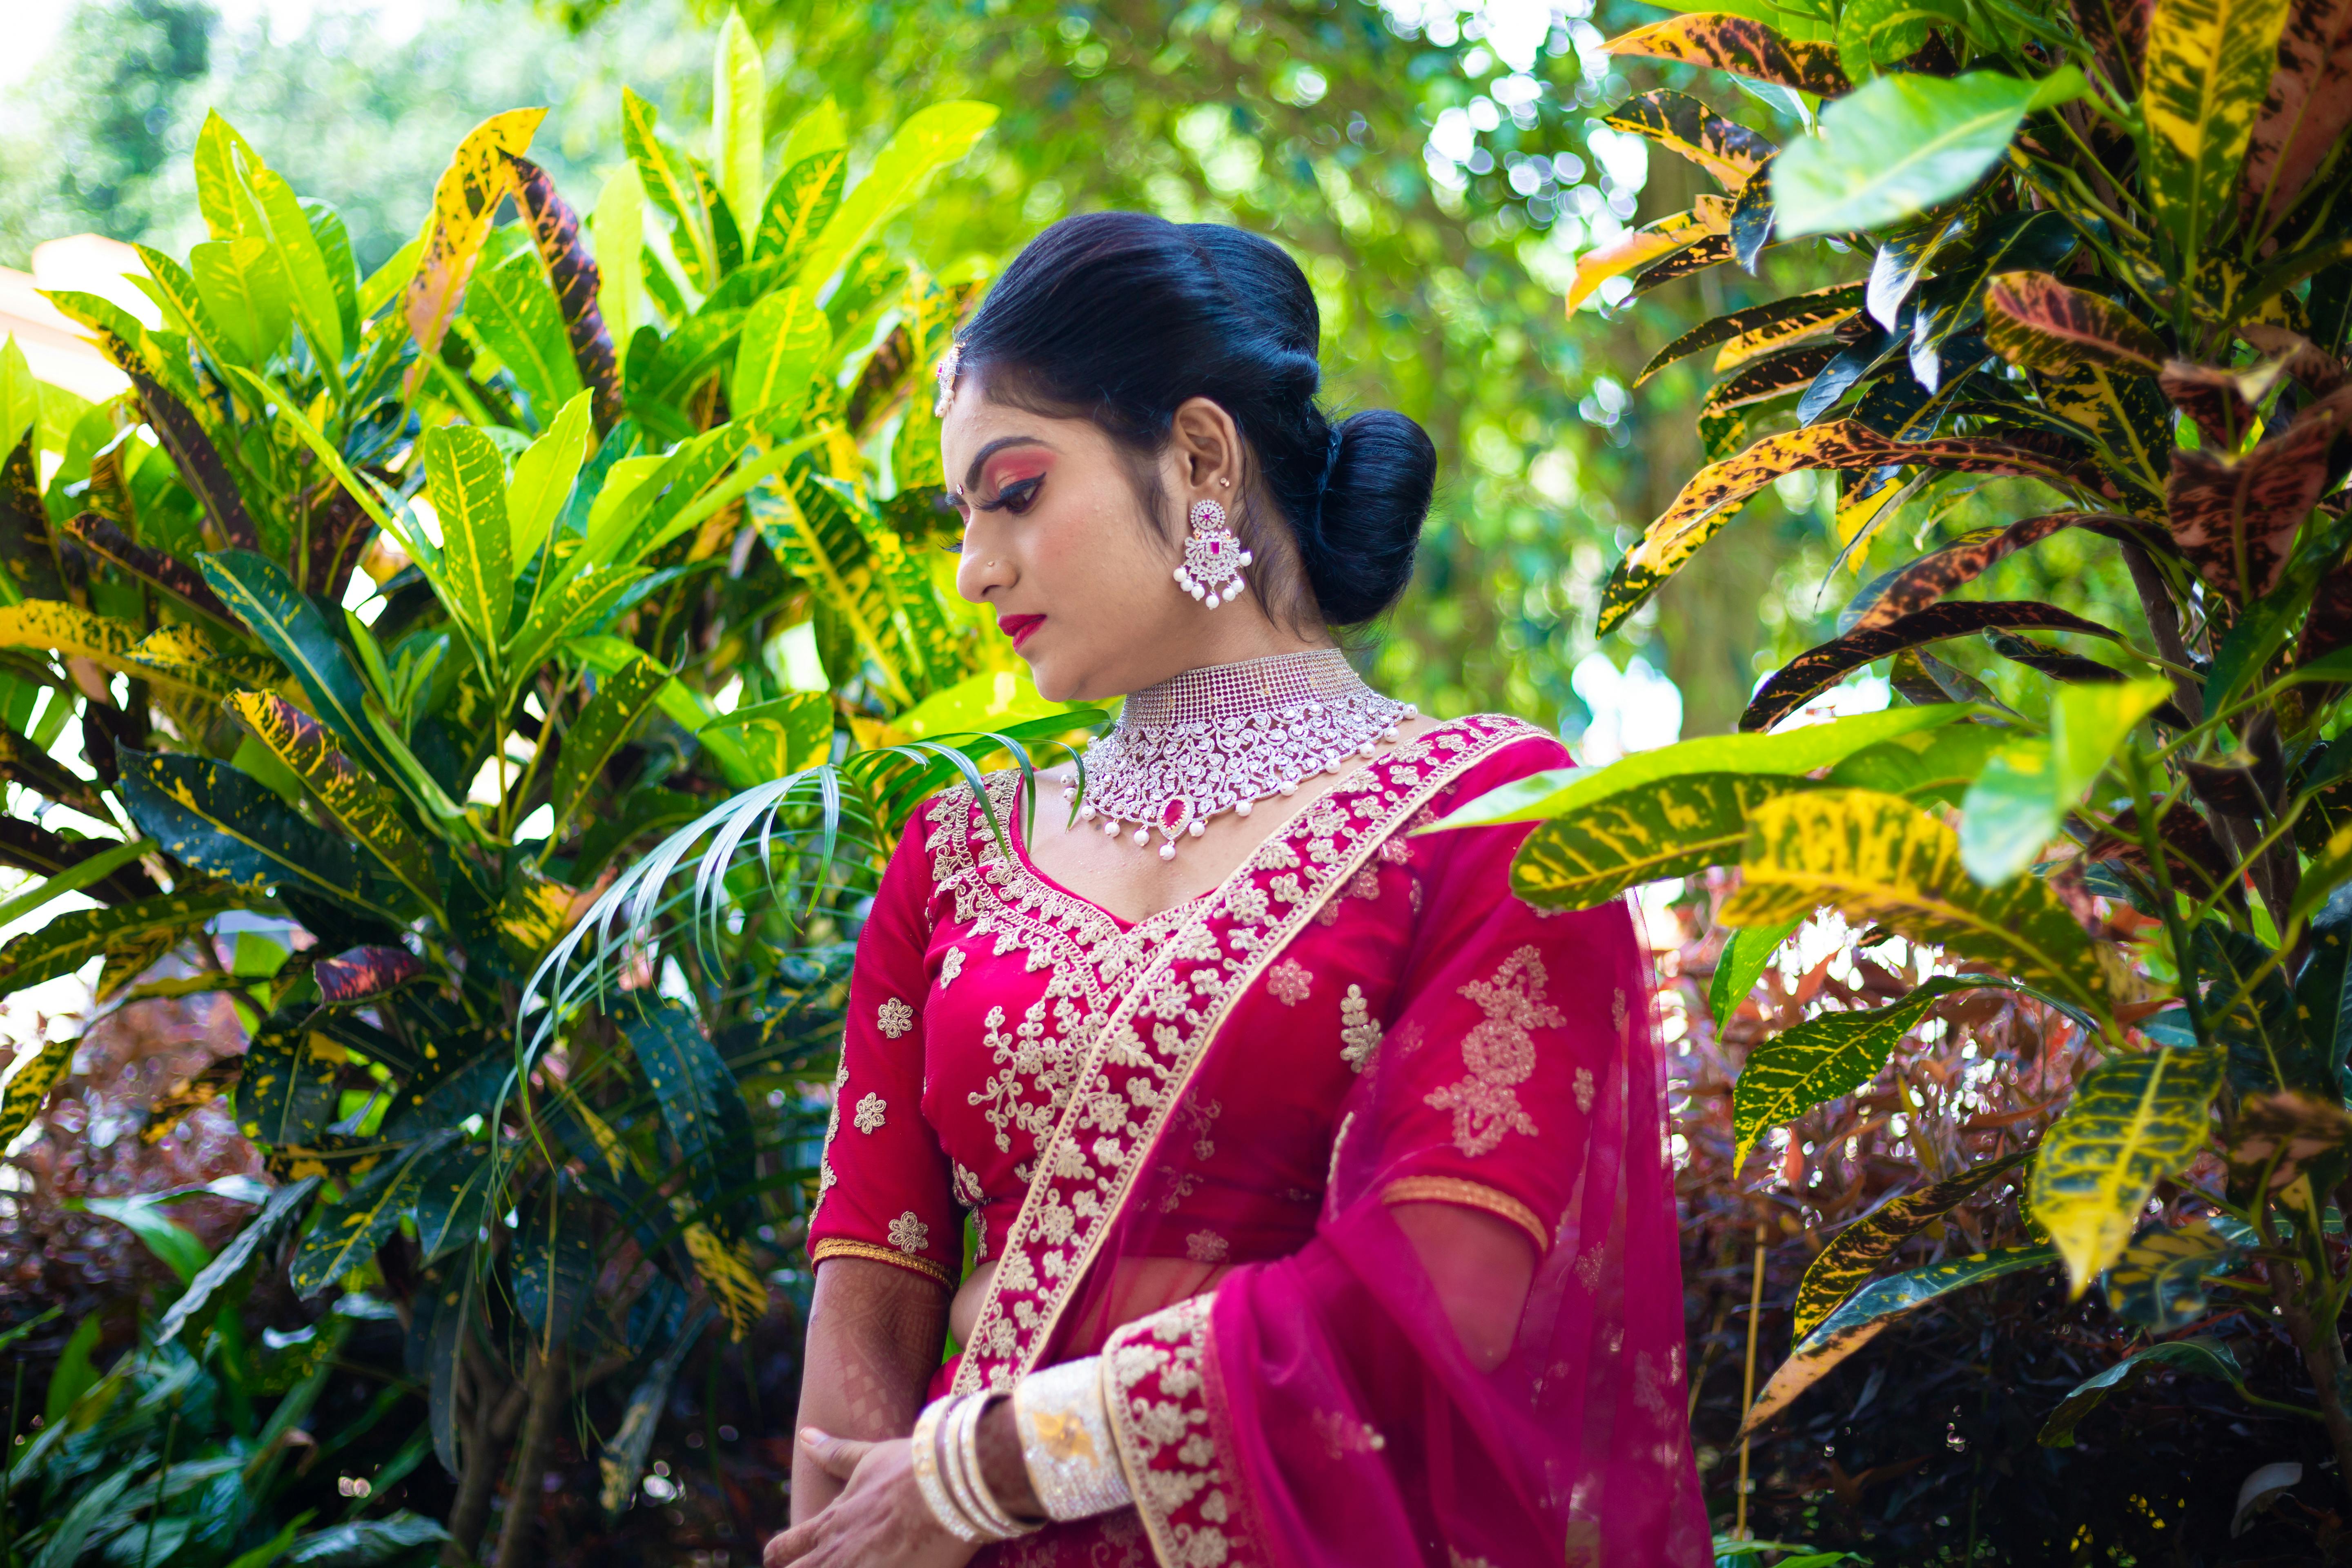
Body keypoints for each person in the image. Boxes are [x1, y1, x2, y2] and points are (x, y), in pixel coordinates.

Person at [763, 211, 1707, 1568]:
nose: (977, 569)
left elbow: (1444, 1290)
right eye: (963, 517)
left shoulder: (1494, 823)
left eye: (1015, 492)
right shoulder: (956, 856)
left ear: (1200, 455)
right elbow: (869, 1298)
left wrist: (982, 1468)